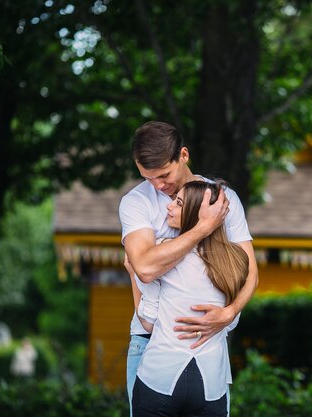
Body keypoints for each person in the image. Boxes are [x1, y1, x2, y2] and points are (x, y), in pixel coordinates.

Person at [119, 121, 258, 414]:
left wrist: (230, 313)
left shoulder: (224, 200)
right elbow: (144, 269)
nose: (157, 186)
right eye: (148, 178)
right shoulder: (136, 202)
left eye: (164, 175)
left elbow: (250, 273)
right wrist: (202, 228)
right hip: (149, 343)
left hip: (209, 345)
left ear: (183, 154)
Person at [130, 180, 248, 417]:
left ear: (196, 213)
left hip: (160, 377)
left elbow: (148, 322)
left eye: (179, 203)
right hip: (211, 385)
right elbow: (231, 321)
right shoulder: (235, 261)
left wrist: (133, 273)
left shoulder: (162, 251)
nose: (169, 207)